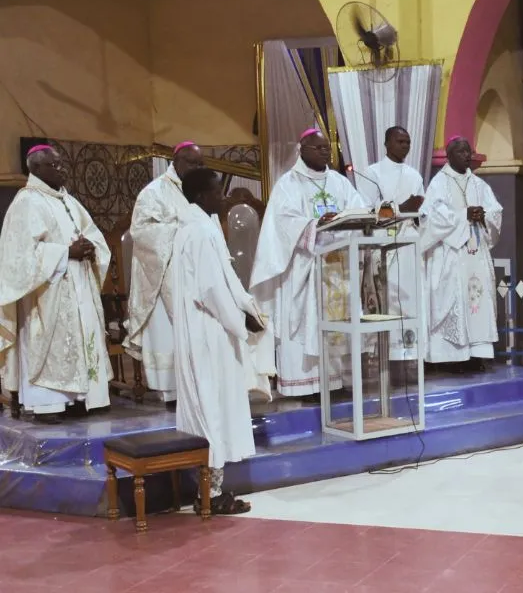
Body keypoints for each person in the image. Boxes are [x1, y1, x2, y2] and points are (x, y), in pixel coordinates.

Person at [250, 129, 367, 398]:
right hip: (304, 268)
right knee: (306, 323)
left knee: (338, 324)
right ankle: (307, 385)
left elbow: (357, 209)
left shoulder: (339, 182)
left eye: (328, 148)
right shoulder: (288, 184)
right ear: (301, 149)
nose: (325, 152)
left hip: (337, 267)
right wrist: (315, 224)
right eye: (318, 148)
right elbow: (283, 222)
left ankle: (335, 382)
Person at [172, 168, 263, 514]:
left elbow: (225, 278)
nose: (223, 198)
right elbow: (211, 289)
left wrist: (245, 306)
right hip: (209, 331)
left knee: (213, 406)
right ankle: (210, 494)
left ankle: (211, 490)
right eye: (216, 192)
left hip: (209, 327)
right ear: (200, 196)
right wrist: (240, 320)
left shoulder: (200, 226)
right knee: (212, 407)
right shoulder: (198, 232)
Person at [0, 146, 112, 423]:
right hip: (47, 292)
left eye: (61, 164)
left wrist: (91, 247)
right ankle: (48, 405)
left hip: (79, 284)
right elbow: (18, 257)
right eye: (53, 165)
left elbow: (93, 234)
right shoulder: (26, 202)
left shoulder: (69, 201)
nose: (61, 169)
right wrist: (65, 253)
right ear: (35, 169)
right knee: (50, 346)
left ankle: (80, 399)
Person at [125, 141, 204, 406]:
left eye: (199, 164)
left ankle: (200, 387)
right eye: (191, 163)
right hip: (165, 276)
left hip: (198, 275)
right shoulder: (154, 192)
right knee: (168, 334)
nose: (196, 168)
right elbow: (142, 231)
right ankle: (171, 393)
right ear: (176, 161)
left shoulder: (201, 191)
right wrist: (181, 230)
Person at [420, 136, 503, 372]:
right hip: (452, 255)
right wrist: (464, 215)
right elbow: (432, 217)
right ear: (449, 155)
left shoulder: (479, 184)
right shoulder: (439, 183)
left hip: (476, 254)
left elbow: (496, 211)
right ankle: (453, 358)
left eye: (468, 151)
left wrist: (484, 215)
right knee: (454, 299)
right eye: (460, 152)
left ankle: (476, 355)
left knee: (478, 301)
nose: (467, 155)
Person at [360, 126, 426, 362]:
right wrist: (401, 209)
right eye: (400, 141)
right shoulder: (372, 173)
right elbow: (366, 210)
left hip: (409, 244)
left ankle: (410, 353)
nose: (405, 146)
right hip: (383, 246)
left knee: (410, 298)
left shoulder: (414, 175)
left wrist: (418, 212)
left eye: (408, 142)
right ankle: (383, 352)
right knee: (387, 299)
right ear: (387, 144)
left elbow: (423, 212)